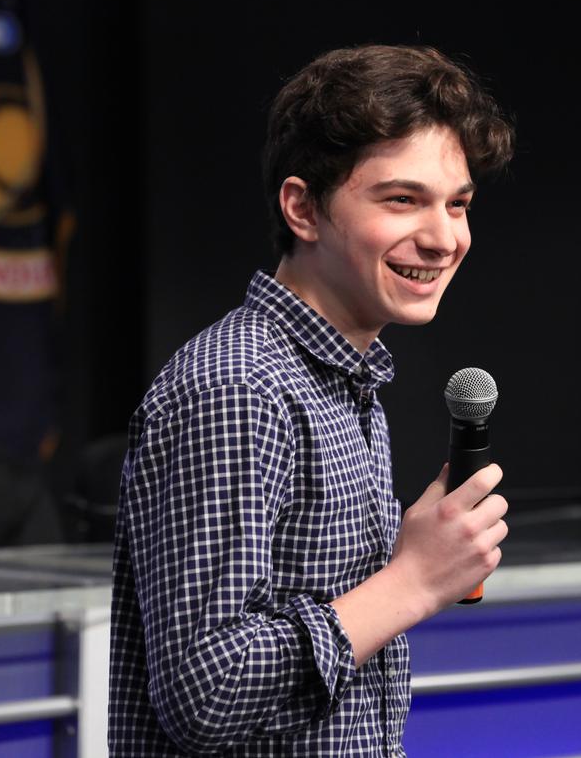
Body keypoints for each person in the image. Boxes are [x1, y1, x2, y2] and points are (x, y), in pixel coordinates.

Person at [109, 44, 515, 756]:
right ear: (302, 208)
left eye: (458, 204)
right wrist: (412, 581)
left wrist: (410, 560)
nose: (444, 236)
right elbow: (205, 691)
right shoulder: (241, 386)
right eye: (401, 199)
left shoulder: (344, 379)